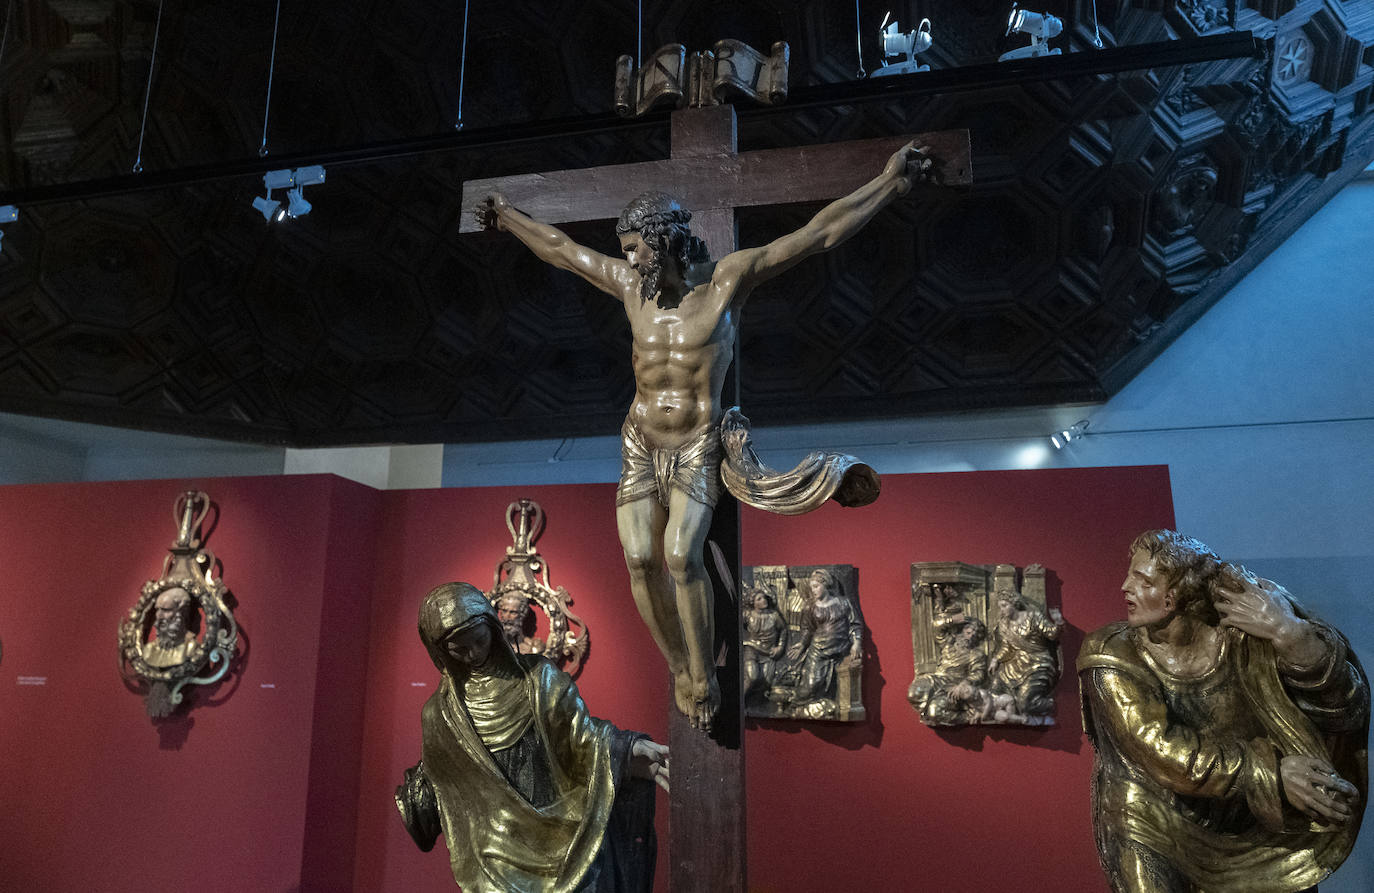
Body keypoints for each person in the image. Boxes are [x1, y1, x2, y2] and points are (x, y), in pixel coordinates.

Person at [477, 142, 937, 731]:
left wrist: (890, 183)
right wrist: (508, 217)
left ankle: (704, 671)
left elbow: (818, 235)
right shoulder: (628, 286)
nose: (629, 258)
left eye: (636, 247)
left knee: (679, 555)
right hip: (641, 441)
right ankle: (681, 668)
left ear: (663, 238)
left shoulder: (726, 282)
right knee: (640, 559)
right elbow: (563, 251)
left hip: (697, 441)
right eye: (625, 250)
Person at [1079, 530, 1369, 892]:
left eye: (1144, 581)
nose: (1124, 587)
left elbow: (1345, 707)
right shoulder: (1112, 655)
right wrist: (1274, 777)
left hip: (1252, 822)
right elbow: (1161, 751)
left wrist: (1290, 633)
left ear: (1174, 596)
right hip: (1154, 817)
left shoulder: (1245, 635)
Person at [396, 582, 669, 893]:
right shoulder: (440, 715)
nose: (473, 653)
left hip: (563, 836)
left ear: (492, 627)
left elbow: (580, 738)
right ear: (440, 651)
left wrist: (627, 748)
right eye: (459, 648)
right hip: (493, 854)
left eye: (479, 639)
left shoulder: (539, 679)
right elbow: (447, 791)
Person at [787, 568, 863, 705]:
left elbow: (854, 624)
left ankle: (827, 706)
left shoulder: (843, 603)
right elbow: (807, 629)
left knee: (839, 688)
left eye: (816, 586)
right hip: (818, 652)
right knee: (810, 687)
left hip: (841, 651)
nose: (813, 590)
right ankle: (794, 702)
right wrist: (802, 643)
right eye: (811, 588)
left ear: (825, 584)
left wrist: (856, 643)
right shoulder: (809, 607)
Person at [988, 589, 1064, 723]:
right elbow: (1006, 648)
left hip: (1037, 663)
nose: (1002, 610)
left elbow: (1051, 634)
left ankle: (1048, 705)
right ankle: (1007, 712)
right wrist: (996, 659)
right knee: (994, 688)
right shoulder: (1004, 624)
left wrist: (1058, 623)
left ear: (1014, 603)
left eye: (1004, 605)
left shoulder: (1033, 617)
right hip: (1015, 665)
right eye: (1000, 607)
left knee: (1025, 704)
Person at [742, 586, 787, 700]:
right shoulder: (747, 615)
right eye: (759, 599)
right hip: (752, 650)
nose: (764, 600)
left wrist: (780, 647)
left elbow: (783, 630)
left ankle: (756, 702)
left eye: (764, 598)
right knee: (752, 677)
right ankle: (741, 700)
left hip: (768, 652)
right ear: (753, 603)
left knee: (767, 681)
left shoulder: (774, 616)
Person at [143, 587, 197, 668]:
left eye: (166, 610)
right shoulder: (149, 650)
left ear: (182, 613)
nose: (159, 616)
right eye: (157, 609)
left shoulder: (190, 648)